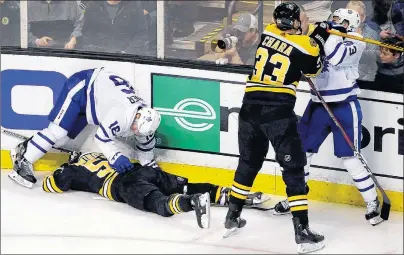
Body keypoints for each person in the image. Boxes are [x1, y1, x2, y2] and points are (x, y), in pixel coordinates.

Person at [223, 2, 328, 253]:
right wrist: (321, 36)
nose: (305, 23)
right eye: (302, 19)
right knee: (294, 168)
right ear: (294, 23)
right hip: (277, 112)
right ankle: (302, 231)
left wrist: (310, 33)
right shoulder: (305, 44)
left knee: (248, 163)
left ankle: (232, 217)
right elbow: (314, 68)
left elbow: (292, 43)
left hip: (249, 108)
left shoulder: (268, 31)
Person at [273, 8, 385, 226]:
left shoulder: (356, 41)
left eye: (341, 21)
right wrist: (316, 36)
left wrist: (327, 33)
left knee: (350, 159)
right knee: (302, 154)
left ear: (351, 25)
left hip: (344, 105)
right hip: (318, 105)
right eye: (333, 19)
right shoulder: (324, 35)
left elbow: (336, 56)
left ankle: (372, 202)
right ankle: (295, 197)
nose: (335, 22)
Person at [10, 68, 161, 189]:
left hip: (93, 99)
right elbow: (102, 138)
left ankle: (26, 147)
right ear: (137, 116)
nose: (135, 131)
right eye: (135, 127)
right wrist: (115, 157)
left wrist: (151, 169)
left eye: (138, 131)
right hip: (82, 87)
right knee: (57, 131)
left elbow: (145, 149)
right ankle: (23, 161)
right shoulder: (122, 114)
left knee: (62, 140)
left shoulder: (144, 122)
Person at [42, 152, 266, 228]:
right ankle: (235, 196)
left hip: (124, 186)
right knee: (186, 184)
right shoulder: (100, 154)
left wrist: (62, 168)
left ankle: (192, 202)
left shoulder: (73, 169)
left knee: (159, 203)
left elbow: (50, 185)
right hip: (144, 171)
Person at [80, 0, 150, 55]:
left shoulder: (134, 4)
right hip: (99, 56)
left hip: (128, 57)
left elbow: (141, 33)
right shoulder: (93, 5)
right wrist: (96, 52)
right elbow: (87, 32)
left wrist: (128, 53)